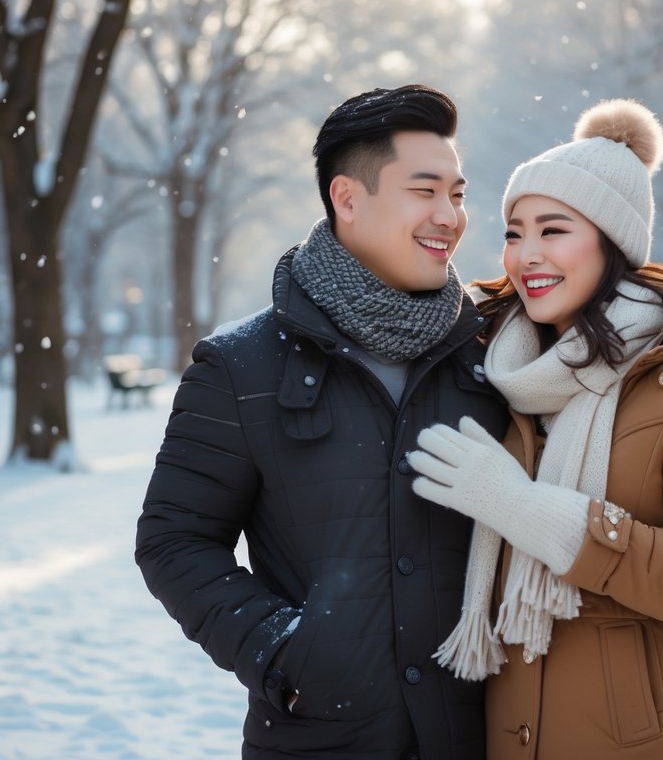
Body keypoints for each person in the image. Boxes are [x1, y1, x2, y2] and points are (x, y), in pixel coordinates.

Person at [135, 84, 509, 760]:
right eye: (424, 191)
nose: (450, 216)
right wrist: (284, 650)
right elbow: (174, 540)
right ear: (347, 198)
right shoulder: (240, 366)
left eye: (457, 194)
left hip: (477, 738)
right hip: (321, 740)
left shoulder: (492, 357)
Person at [408, 99, 663, 759]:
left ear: (612, 242)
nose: (527, 255)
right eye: (514, 233)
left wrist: (530, 511)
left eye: (553, 230)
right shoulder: (495, 374)